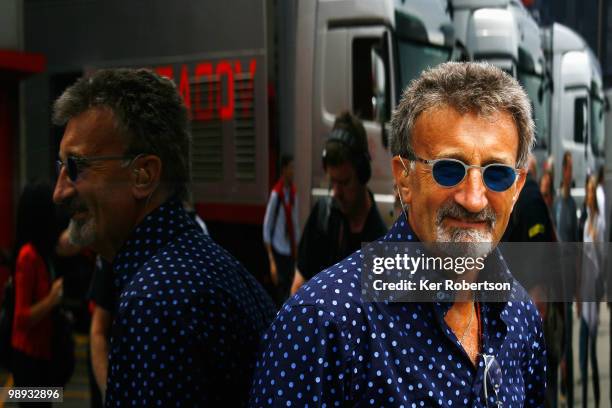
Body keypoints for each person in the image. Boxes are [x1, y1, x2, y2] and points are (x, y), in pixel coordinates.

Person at [250, 62, 546, 406]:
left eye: (497, 174)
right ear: (404, 179)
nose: (474, 198)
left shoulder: (520, 315)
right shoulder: (322, 323)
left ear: (518, 186)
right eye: (449, 169)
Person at [52, 68, 276, 406]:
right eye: (60, 168)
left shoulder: (155, 302)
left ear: (143, 175)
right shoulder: (204, 267)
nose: (59, 192)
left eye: (76, 167)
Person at [291, 112, 387, 293]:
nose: (336, 192)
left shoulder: (378, 238)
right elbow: (298, 285)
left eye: (344, 183)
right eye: (332, 182)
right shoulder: (322, 216)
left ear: (363, 174)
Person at [502, 154, 562, 408]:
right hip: (518, 310)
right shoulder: (521, 198)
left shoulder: (531, 199)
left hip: (533, 312)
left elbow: (539, 261)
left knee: (540, 385)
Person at [10, 182, 63, 408]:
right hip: (28, 359)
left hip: (42, 355)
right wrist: (52, 300)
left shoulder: (41, 252)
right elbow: (21, 318)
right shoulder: (27, 256)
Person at [553, 152, 578, 407]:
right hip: (555, 281)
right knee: (557, 337)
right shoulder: (559, 202)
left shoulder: (571, 205)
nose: (571, 175)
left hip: (567, 283)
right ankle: (561, 386)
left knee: (567, 340)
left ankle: (567, 391)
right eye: (569, 169)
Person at [577, 176, 603, 408]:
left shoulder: (598, 222)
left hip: (593, 289)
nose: (588, 195)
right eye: (586, 192)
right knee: (584, 351)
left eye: (590, 192)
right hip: (584, 287)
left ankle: (594, 398)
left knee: (592, 352)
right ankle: (586, 399)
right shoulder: (585, 221)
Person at [262, 154, 299, 305]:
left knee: (290, 293)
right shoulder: (276, 195)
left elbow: (295, 223)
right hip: (278, 250)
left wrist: (296, 248)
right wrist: (272, 261)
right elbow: (267, 226)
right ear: (284, 170)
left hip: (289, 250)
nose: (293, 171)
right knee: (279, 295)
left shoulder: (292, 193)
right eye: (291, 168)